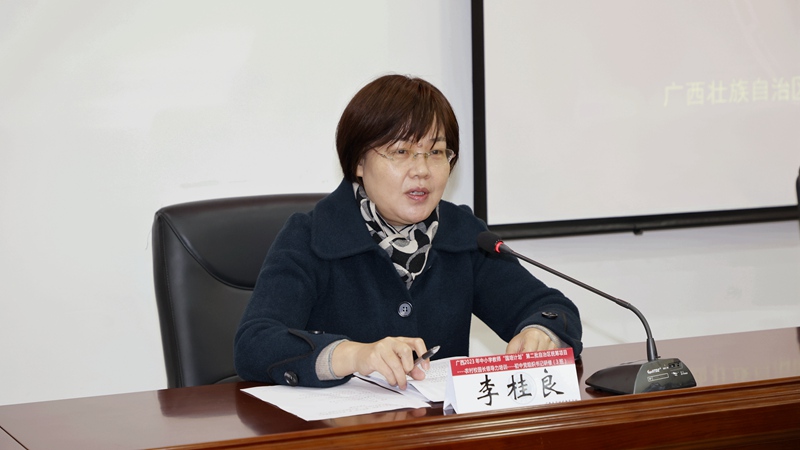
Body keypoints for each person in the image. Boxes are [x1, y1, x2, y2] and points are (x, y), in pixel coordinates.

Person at [234, 74, 582, 389]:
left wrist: (540, 332)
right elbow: (255, 344)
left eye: (436, 152)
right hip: (339, 429)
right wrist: (352, 355)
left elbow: (551, 307)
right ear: (358, 162)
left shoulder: (461, 234)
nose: (422, 170)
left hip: (436, 427)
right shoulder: (312, 236)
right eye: (401, 151)